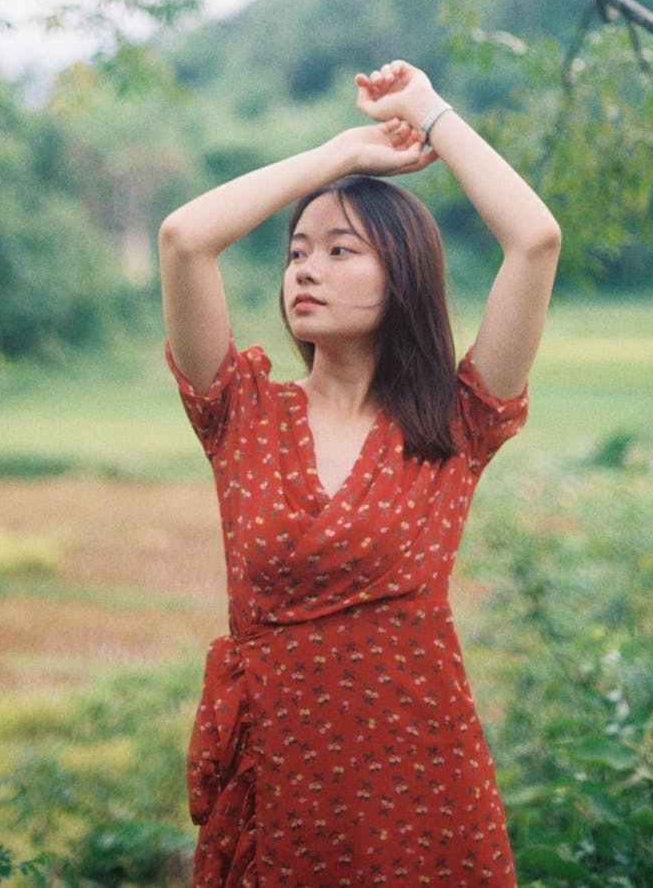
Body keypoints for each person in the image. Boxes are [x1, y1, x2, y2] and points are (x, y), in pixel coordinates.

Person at [159, 60, 561, 888]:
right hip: (279, 785)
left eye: (341, 250)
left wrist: (430, 111)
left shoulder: (456, 424)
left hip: (420, 784)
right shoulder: (241, 414)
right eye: (297, 252)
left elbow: (535, 239)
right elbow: (184, 238)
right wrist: (339, 155)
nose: (305, 268)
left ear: (403, 277)